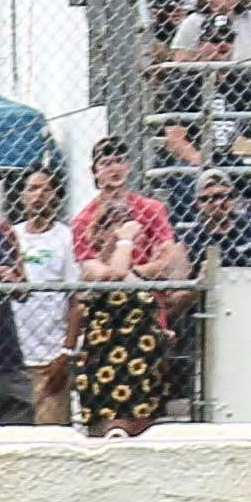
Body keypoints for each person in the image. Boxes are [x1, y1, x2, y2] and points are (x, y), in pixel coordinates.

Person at [64, 140, 189, 434]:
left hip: (146, 314)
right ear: (95, 172)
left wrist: (130, 274)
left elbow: (167, 258)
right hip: (107, 321)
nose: (114, 168)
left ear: (130, 166)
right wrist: (130, 267)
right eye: (106, 163)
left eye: (120, 160)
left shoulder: (151, 208)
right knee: (106, 409)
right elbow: (97, 273)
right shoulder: (83, 220)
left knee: (143, 404)